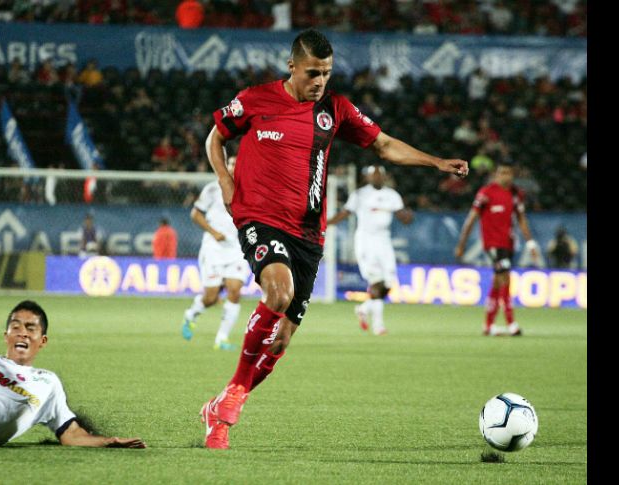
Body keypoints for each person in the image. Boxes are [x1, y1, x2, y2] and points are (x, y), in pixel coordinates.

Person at [200, 28, 469, 449]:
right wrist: (225, 180)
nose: (320, 81)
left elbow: (382, 144)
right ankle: (234, 389)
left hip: (308, 233)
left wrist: (434, 162)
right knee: (277, 292)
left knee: (282, 339)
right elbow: (215, 136)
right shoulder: (255, 99)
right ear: (292, 67)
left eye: (326, 73)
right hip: (259, 217)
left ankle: (219, 410)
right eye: (312, 73)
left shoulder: (336, 109)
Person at [0, 300, 146, 451]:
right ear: (6, 336)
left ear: (43, 341)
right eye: (15, 326)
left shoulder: (48, 383)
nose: (22, 332)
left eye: (31, 328)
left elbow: (71, 434)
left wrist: (110, 441)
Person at [454, 161, 538, 337]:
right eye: (502, 173)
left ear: (513, 175)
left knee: (498, 281)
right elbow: (471, 219)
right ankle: (511, 323)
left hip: (508, 243)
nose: (505, 176)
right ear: (496, 174)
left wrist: (530, 243)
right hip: (493, 244)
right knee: (505, 278)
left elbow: (521, 219)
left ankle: (488, 325)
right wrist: (461, 244)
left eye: (508, 173)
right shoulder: (486, 193)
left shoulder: (516, 194)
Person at [326, 165, 413, 335]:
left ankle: (364, 309)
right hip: (366, 240)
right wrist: (326, 223)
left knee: (388, 283)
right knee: (377, 282)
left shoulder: (392, 195)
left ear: (385, 177)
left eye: (380, 175)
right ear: (367, 178)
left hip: (384, 240)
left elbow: (403, 217)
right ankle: (378, 325)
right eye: (374, 175)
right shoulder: (360, 195)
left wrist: (407, 217)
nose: (377, 178)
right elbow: (345, 212)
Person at [181, 155, 250, 351]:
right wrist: (214, 232)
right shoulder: (213, 188)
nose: (234, 167)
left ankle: (221, 339)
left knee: (235, 291)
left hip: (237, 248)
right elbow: (195, 213)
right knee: (211, 297)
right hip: (214, 248)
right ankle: (191, 314)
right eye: (231, 163)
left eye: (238, 164)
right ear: (226, 166)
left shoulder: (250, 190)